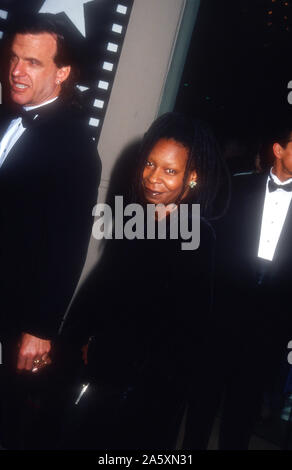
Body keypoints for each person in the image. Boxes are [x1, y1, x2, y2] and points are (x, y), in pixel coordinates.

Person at [59, 112, 229, 450]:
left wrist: (131, 371)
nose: (153, 178)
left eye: (170, 171)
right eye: (150, 164)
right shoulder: (136, 215)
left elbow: (188, 332)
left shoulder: (197, 234)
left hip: (147, 392)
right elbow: (104, 287)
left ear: (192, 177)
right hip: (102, 373)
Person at [0, 14, 101, 449]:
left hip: (12, 314)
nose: (17, 71)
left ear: (62, 73)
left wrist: (40, 329)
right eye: (15, 58)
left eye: (34, 63)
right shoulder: (6, 115)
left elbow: (67, 249)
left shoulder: (76, 148)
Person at [183, 114, 292, 450]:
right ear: (278, 149)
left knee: (242, 413)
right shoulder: (237, 187)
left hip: (269, 325)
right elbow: (207, 251)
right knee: (203, 403)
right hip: (223, 315)